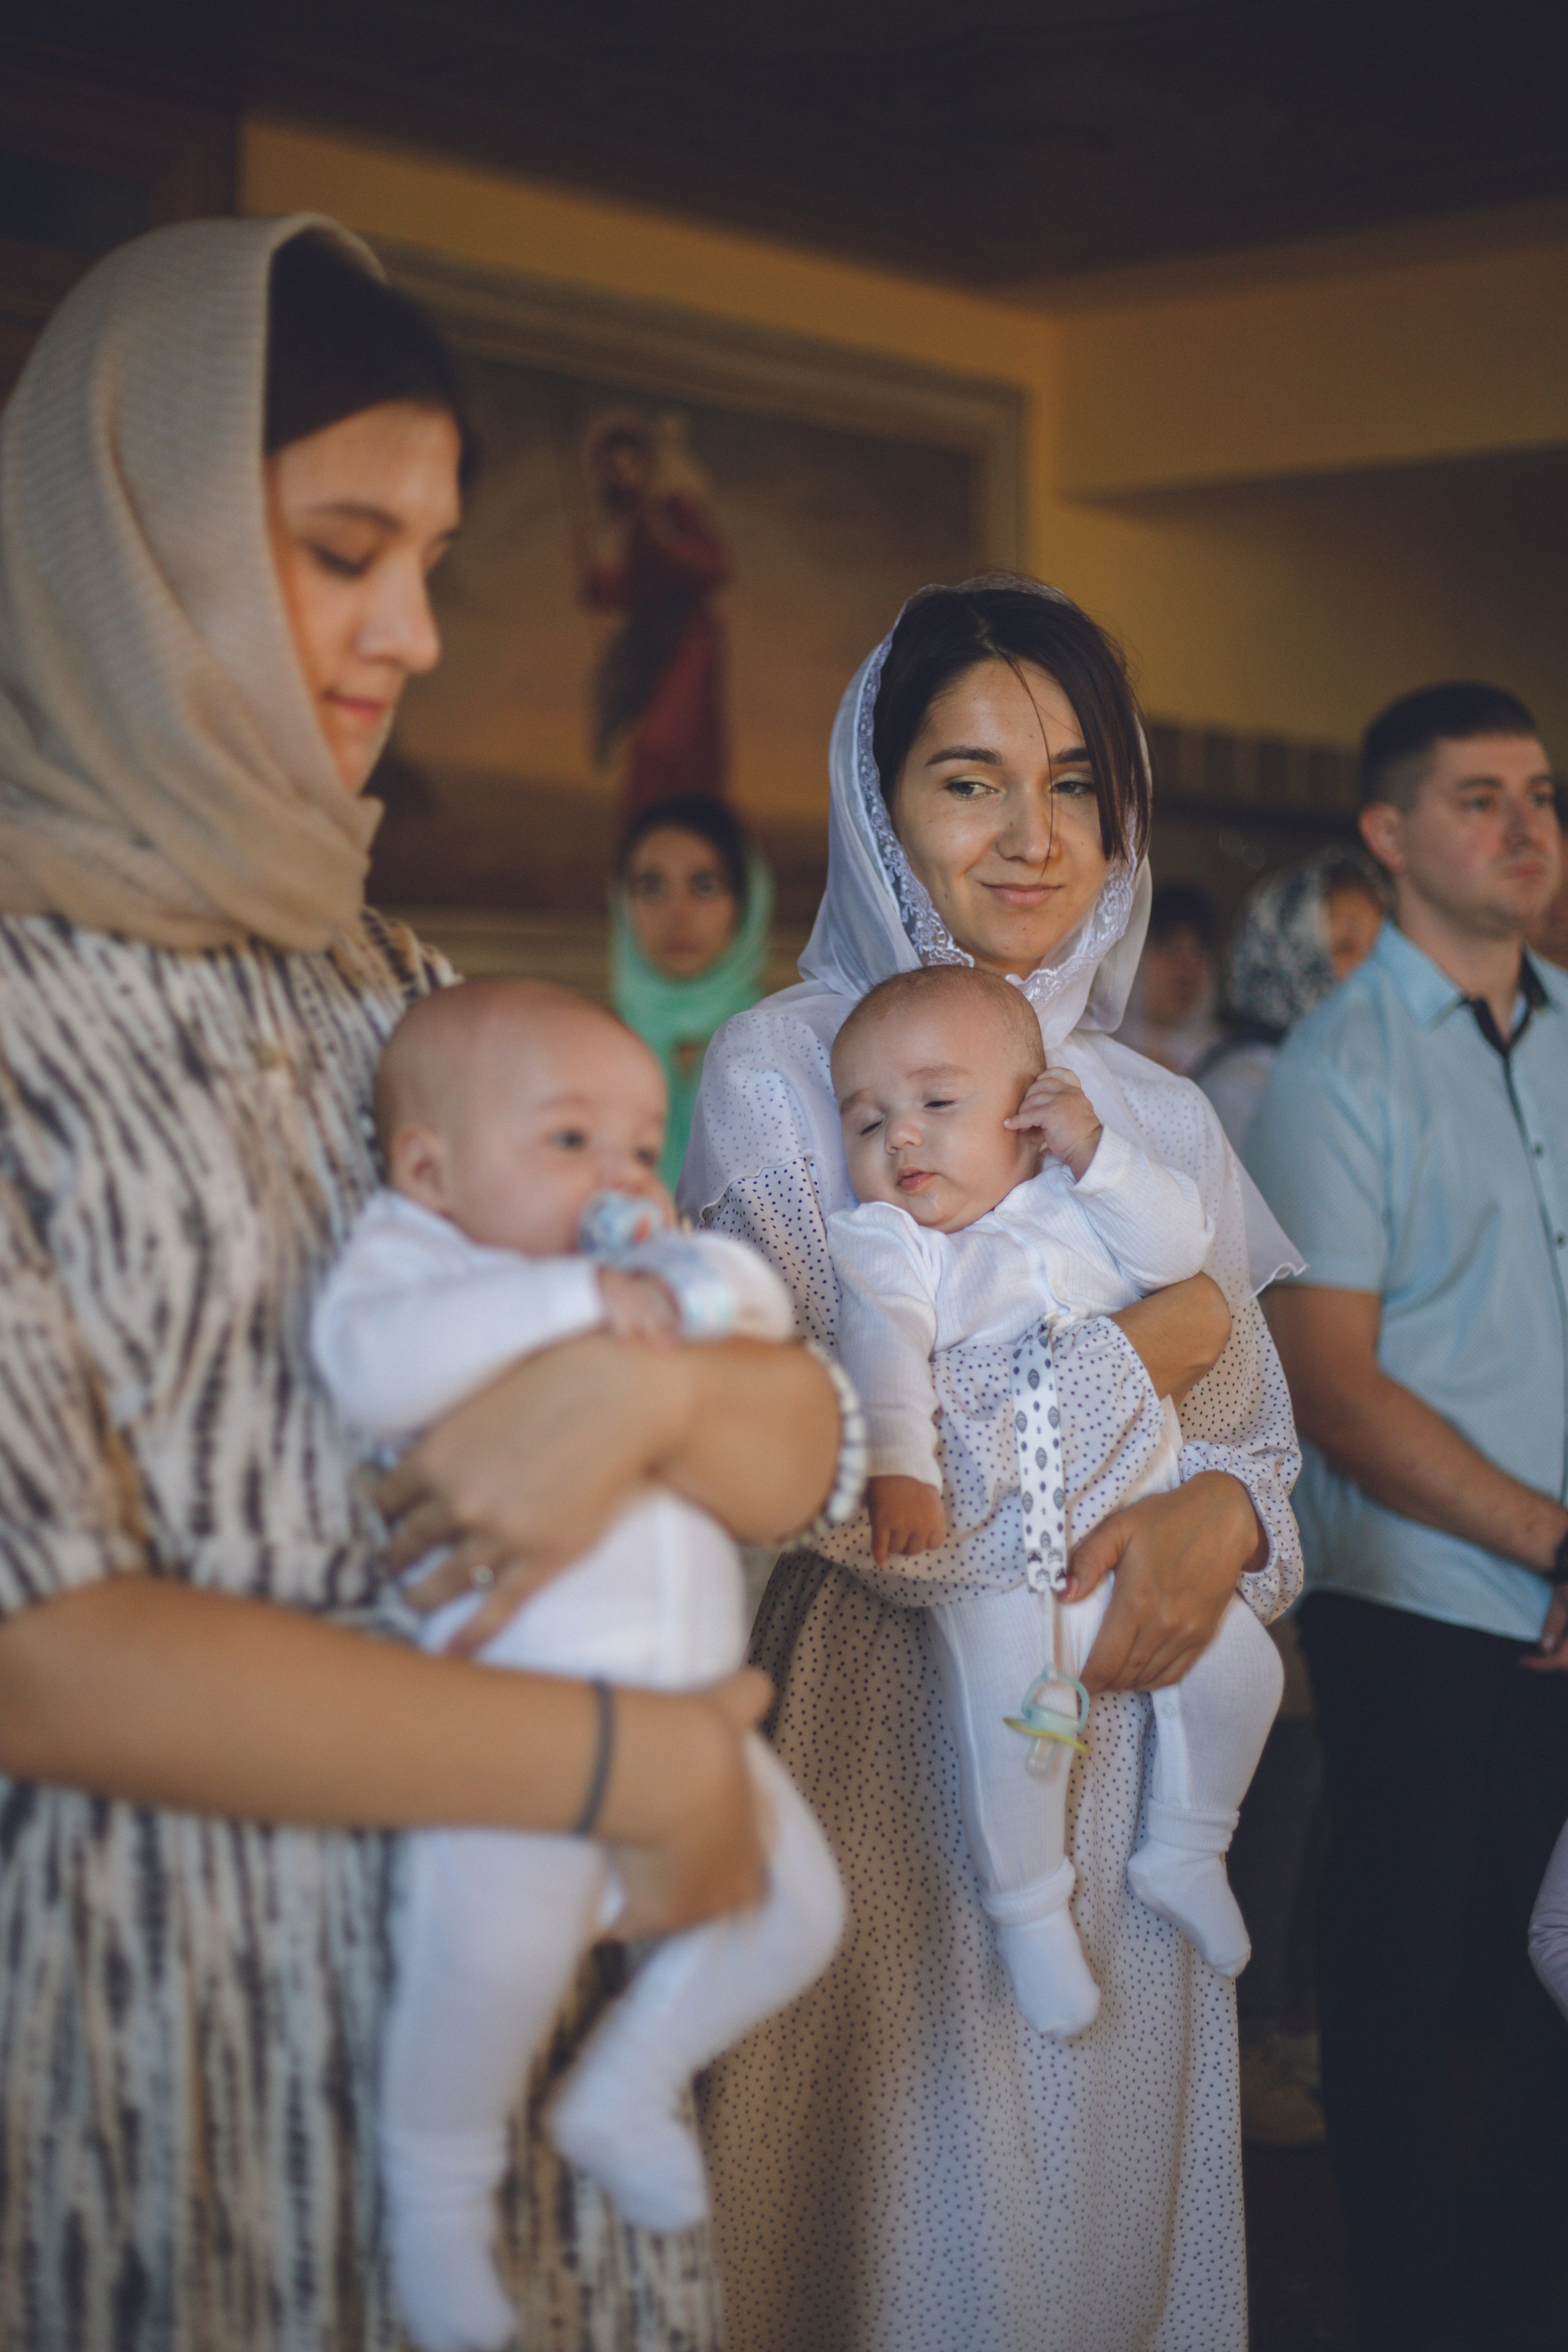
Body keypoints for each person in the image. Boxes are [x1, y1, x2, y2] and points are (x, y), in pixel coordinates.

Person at [0, 219, 852, 2352]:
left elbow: (799, 1437)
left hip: (534, 2022)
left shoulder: (418, 996)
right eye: (339, 547)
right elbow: (40, 1651)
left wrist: (639, 1403)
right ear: (123, 538)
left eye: (435, 561)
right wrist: (618, 1767)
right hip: (182, 2015)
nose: (411, 631)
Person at [684, 578, 1305, 2352]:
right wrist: (1140, 1363)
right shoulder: (791, 1079)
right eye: (970, 780)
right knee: (911, 2244)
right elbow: (850, 1485)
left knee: (1097, 2251)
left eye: (1079, 784)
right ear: (878, 810)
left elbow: (1257, 1441)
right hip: (893, 1758)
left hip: (1137, 1762)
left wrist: (1220, 1518)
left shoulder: (1156, 1105)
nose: (1036, 836)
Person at [313, 977, 843, 2352]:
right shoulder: (419, 1260)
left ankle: (631, 2075)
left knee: (801, 1915)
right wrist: (572, 1300)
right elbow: (369, 1365)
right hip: (512, 1723)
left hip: (691, 1718)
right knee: (486, 1956)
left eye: (637, 1142)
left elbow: (759, 1322)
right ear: (429, 1168)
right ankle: (434, 2185)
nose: (618, 1175)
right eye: (569, 1144)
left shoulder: (637, 1273)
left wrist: (685, 1274)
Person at [1248, 682, 1568, 2351]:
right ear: (1388, 833)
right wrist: (1548, 1539)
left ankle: (1523, 2293)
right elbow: (1332, 1384)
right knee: (1401, 1974)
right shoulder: (1331, 1065)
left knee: (1556, 1983)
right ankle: (1409, 2309)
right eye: (1478, 800)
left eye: (1539, 796)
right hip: (1426, 1590)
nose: (1526, 830)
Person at [827, 963, 1281, 2036]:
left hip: (1138, 1521)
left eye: (937, 1105)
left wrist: (1102, 1157)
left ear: (1027, 1120)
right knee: (1008, 1693)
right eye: (868, 1121)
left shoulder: (1080, 1203)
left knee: (1244, 1669)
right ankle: (1029, 1908)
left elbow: (1182, 1258)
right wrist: (899, 1462)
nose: (901, 1140)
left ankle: (1188, 1842)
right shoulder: (897, 1244)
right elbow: (879, 1347)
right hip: (1006, 1548)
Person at [613, 794, 772, 1193]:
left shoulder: (786, 1054)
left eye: (704, 886)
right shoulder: (580, 1054)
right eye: (651, 887)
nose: (676, 913)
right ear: (621, 902)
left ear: (747, 902)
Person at [578, 412, 731, 819]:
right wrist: (594, 578)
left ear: (646, 464)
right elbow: (640, 587)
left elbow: (715, 567)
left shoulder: (674, 509)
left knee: (663, 745)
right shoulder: (640, 523)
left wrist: (670, 548)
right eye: (613, 468)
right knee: (655, 748)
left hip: (688, 642)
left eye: (630, 463)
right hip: (655, 644)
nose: (623, 475)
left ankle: (678, 828)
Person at [1195, 846, 1385, 1155]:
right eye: (1345, 946)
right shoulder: (1240, 1090)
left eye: (1378, 947)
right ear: (1290, 953)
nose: (1371, 967)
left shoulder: (1360, 1070)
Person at [1115, 880, 1221, 1072]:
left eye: (1198, 954)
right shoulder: (1096, 1049)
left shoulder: (1226, 1065)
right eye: (1168, 950)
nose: (1185, 970)